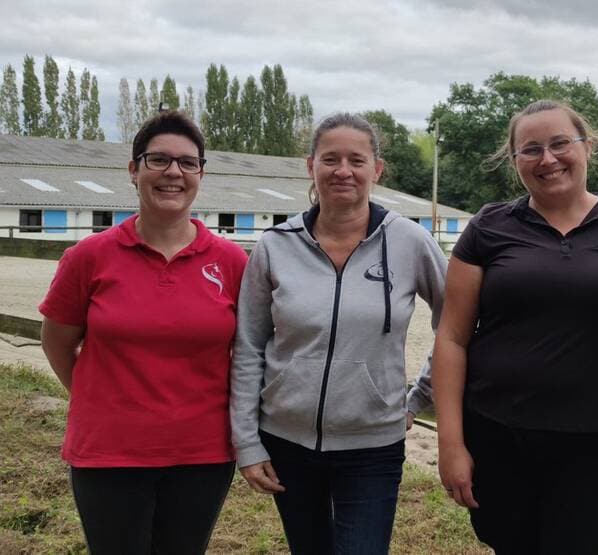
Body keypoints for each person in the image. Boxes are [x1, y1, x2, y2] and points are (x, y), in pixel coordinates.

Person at [433, 99, 598, 554]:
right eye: (531, 149)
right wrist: (451, 443)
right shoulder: (489, 228)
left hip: (590, 441)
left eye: (560, 143)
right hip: (496, 432)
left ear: (587, 147)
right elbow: (451, 337)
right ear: (514, 162)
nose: (547, 159)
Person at [230, 112, 445, 554]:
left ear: (376, 170)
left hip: (373, 445)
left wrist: (419, 396)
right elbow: (248, 345)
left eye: (356, 160)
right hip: (286, 440)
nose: (342, 170)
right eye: (330, 159)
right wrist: (247, 442)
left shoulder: (409, 241)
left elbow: (457, 326)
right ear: (311, 166)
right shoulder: (276, 245)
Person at [38, 110, 248, 554]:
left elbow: (249, 352)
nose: (173, 172)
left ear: (200, 175)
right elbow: (57, 340)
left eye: (187, 163)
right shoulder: (89, 257)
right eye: (158, 160)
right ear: (134, 171)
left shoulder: (232, 263)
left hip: (202, 454)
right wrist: (95, 398)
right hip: (108, 453)